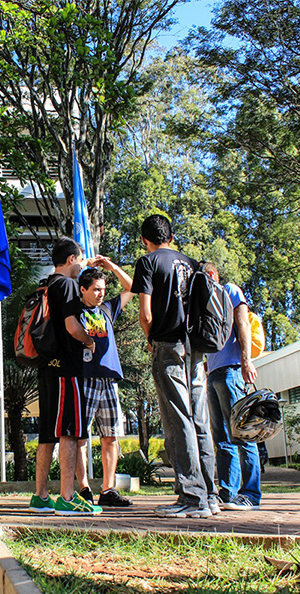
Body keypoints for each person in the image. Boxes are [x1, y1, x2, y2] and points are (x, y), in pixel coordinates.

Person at [131, 214, 217, 518]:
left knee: (178, 419)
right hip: (195, 348)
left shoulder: (148, 262)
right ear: (171, 235)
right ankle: (211, 494)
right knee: (199, 419)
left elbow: (145, 313)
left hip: (168, 345)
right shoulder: (192, 263)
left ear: (145, 240)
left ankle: (192, 498)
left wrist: (151, 340)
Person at [29, 237, 102, 516]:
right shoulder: (68, 285)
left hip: (47, 366)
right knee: (69, 432)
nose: (82, 265)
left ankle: (41, 496)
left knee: (48, 434)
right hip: (65, 369)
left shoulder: (45, 285)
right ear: (71, 259)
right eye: (81, 260)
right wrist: (88, 341)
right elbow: (72, 326)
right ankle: (68, 497)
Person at [73, 259, 135, 507]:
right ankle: (84, 488)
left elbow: (132, 287)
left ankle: (107, 490)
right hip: (84, 377)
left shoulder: (108, 309)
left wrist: (111, 266)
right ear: (83, 290)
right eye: (96, 289)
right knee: (79, 437)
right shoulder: (74, 311)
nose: (101, 294)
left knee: (110, 436)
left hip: (109, 379)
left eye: (103, 289)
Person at [201, 262, 261, 511]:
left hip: (233, 370)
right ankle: (228, 492)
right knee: (222, 438)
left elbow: (243, 324)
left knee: (243, 432)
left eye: (203, 278)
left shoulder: (230, 290)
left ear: (212, 275)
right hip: (214, 373)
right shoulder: (208, 302)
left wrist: (246, 361)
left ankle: (251, 494)